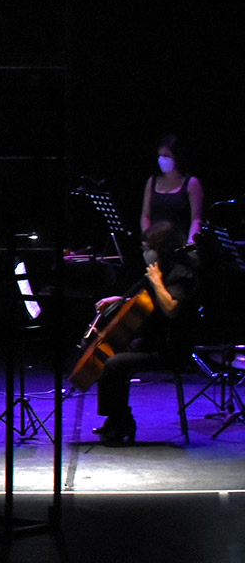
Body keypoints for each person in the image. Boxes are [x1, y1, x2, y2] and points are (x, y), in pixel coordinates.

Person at [86, 222, 198, 444]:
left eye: (149, 246)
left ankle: (121, 420)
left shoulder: (180, 272)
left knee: (114, 364)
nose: (145, 251)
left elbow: (171, 309)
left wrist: (156, 281)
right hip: (151, 341)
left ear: (162, 248)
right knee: (108, 356)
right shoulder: (162, 268)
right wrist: (121, 300)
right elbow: (147, 301)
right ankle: (117, 419)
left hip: (170, 348)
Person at [141, 135, 204, 242]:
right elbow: (145, 215)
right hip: (156, 243)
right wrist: (148, 238)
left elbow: (196, 219)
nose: (162, 159)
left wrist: (191, 242)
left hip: (180, 242)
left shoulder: (191, 183)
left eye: (166, 156)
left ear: (177, 157)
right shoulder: (152, 181)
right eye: (160, 155)